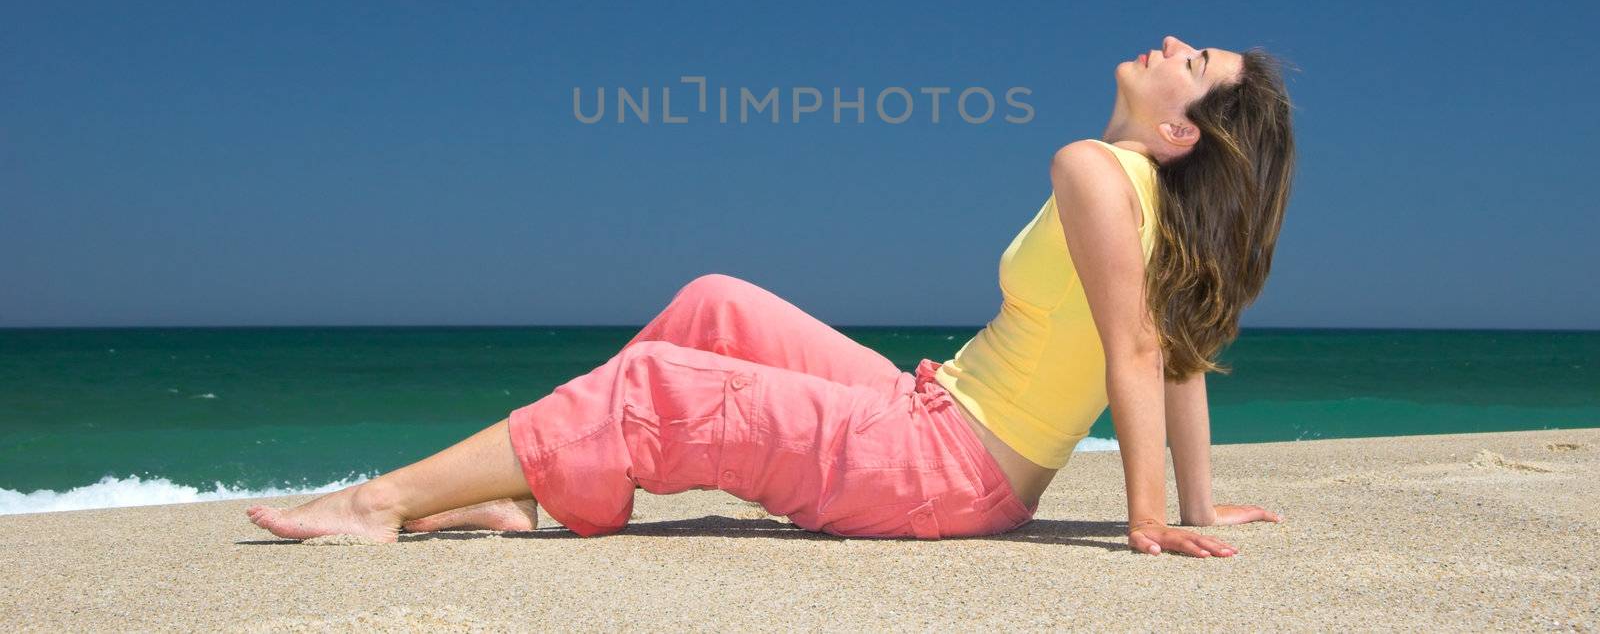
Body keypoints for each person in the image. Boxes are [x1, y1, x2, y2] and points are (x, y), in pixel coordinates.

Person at [248, 35, 1295, 558]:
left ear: (1178, 130)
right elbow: (1182, 353)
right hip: (931, 417)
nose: (1170, 40)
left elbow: (1136, 354)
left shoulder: (1093, 169)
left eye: (1191, 59)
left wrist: (1150, 520)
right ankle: (523, 487)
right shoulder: (1148, 201)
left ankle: (375, 503)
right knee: (714, 302)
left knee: (658, 386)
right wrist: (1197, 502)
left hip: (943, 467)